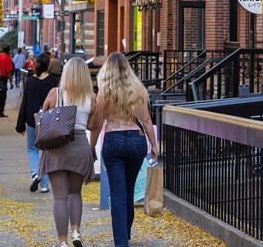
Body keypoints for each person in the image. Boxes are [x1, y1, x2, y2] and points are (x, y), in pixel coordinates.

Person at [90, 53, 159, 247]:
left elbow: (97, 124)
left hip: (113, 139)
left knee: (118, 193)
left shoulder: (104, 91)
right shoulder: (138, 90)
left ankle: (121, 241)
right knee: (129, 190)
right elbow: (146, 119)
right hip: (137, 141)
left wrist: (91, 147)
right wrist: (153, 145)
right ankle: (126, 232)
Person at [39, 57, 98, 247]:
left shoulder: (55, 93)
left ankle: (62, 241)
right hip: (79, 146)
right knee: (75, 192)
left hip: (57, 147)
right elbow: (91, 125)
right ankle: (76, 233)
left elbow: (43, 116)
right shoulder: (91, 97)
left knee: (59, 196)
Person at [16, 53, 58, 193]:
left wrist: (20, 124)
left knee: (32, 148)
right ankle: (45, 185)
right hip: (49, 119)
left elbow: (25, 103)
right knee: (46, 150)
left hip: (33, 120)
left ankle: (35, 174)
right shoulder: (53, 81)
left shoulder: (30, 81)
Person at [0, 45, 14, 117]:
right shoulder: (8, 58)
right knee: (2, 96)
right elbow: (9, 71)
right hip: (3, 78)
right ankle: (0, 112)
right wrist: (11, 82)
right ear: (9, 51)